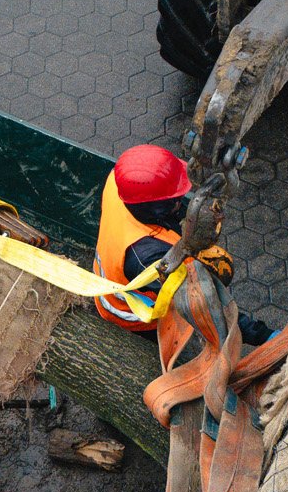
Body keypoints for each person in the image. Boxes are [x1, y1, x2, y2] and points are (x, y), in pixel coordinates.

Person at [92, 144, 274, 345]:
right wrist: (261, 335)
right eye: (176, 199)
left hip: (112, 270)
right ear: (158, 210)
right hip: (130, 314)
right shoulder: (147, 258)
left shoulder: (119, 181)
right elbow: (204, 303)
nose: (181, 200)